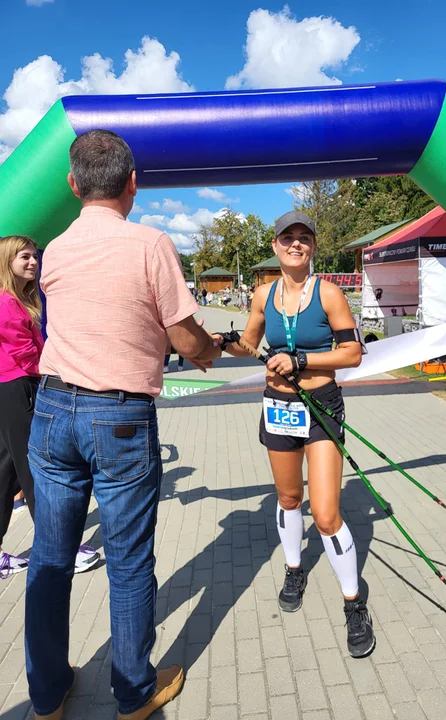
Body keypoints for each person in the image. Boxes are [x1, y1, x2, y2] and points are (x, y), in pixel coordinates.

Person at [25, 130, 221, 720]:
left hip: (53, 410)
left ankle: (47, 693)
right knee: (130, 561)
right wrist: (210, 350)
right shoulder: (151, 243)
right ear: (133, 183)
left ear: (72, 183)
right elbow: (184, 336)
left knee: (50, 558)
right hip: (120, 418)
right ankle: (133, 693)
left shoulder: (54, 249)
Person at [215, 210, 375, 658]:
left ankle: (353, 603)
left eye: (305, 238)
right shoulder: (264, 293)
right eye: (288, 237)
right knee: (288, 499)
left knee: (325, 514)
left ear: (313, 248)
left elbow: (353, 354)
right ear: (275, 246)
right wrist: (222, 342)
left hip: (321, 406)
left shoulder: (329, 294)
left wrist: (302, 361)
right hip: (279, 407)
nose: (296, 244)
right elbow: (249, 345)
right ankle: (293, 569)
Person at [0, 235, 99, 579]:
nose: (32, 261)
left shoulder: (16, 300)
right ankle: (59, 550)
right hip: (17, 387)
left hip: (11, 386)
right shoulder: (8, 304)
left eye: (33, 256)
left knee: (7, 470)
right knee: (35, 467)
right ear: (7, 262)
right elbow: (27, 353)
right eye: (24, 257)